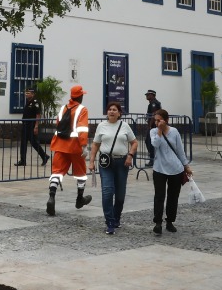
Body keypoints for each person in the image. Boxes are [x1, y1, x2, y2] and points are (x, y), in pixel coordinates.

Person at [86, 102, 137, 234]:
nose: (111, 112)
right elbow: (96, 145)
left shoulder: (125, 126)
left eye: (114, 110)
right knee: (107, 192)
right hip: (105, 162)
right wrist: (91, 161)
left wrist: (130, 155)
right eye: (109, 110)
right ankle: (109, 221)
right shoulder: (101, 126)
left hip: (122, 162)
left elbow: (134, 142)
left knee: (120, 195)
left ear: (119, 113)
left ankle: (116, 217)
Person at [46, 85, 92, 216]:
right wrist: (84, 146)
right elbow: (82, 129)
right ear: (80, 96)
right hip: (75, 146)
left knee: (57, 172)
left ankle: (51, 197)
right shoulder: (82, 109)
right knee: (81, 173)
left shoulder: (63, 108)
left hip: (60, 145)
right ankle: (79, 199)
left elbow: (58, 123)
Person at [147, 108, 191, 235]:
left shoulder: (174, 132)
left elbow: (180, 150)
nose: (157, 123)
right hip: (159, 168)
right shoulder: (153, 132)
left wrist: (186, 165)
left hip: (175, 168)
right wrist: (160, 130)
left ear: (166, 120)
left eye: (159, 120)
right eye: (155, 120)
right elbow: (155, 144)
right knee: (159, 196)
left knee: (173, 196)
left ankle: (170, 221)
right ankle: (158, 222)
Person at [15, 90, 49, 167]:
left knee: (34, 143)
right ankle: (22, 160)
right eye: (25, 93)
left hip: (31, 125)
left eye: (28, 93)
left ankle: (44, 156)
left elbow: (38, 114)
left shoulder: (35, 102)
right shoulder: (27, 102)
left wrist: (36, 126)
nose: (26, 94)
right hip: (25, 125)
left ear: (33, 94)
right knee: (23, 143)